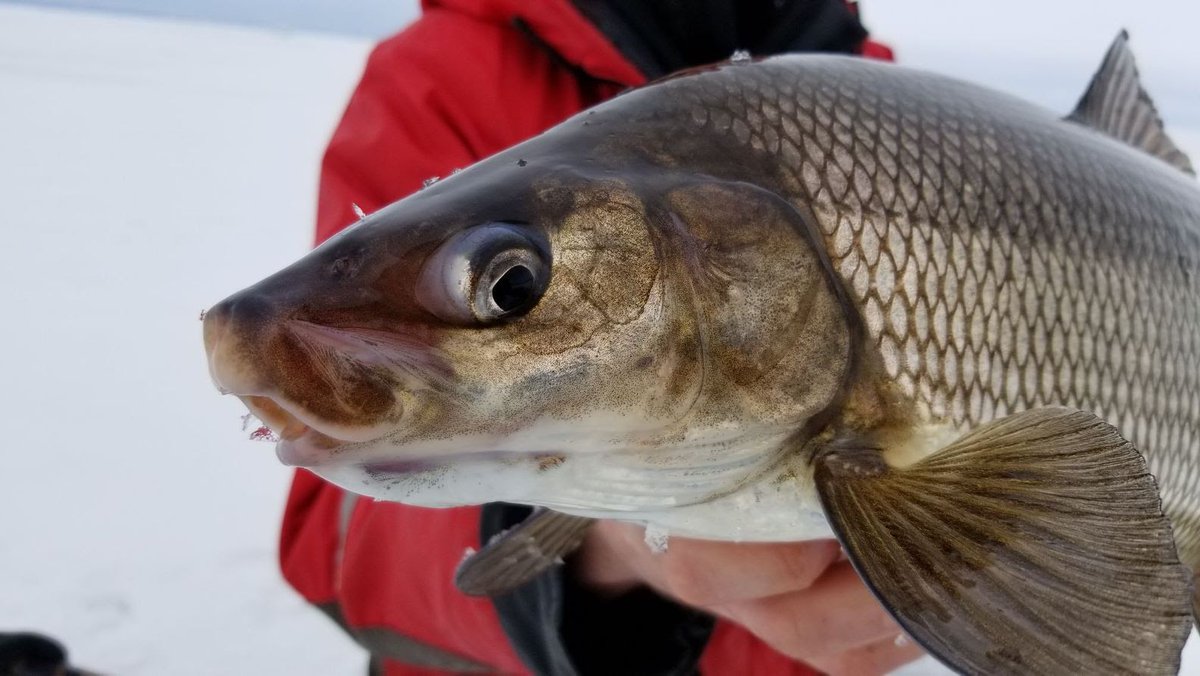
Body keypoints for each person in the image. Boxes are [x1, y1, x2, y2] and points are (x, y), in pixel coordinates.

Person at [281, 1, 921, 674]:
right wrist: (607, 546)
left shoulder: (896, 117)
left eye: (511, 286)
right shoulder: (447, 71)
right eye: (510, 289)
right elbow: (336, 524)